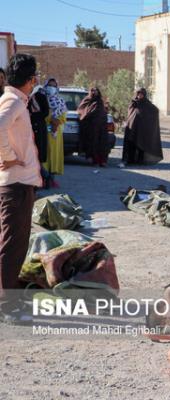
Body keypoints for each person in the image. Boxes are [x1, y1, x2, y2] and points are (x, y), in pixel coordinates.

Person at [0, 54, 42, 324]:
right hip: (16, 185)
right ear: (30, 80)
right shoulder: (12, 100)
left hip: (19, 182)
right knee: (12, 245)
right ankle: (7, 306)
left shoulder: (16, 100)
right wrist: (8, 156)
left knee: (13, 243)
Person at [120, 88, 163, 167]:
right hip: (132, 128)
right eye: (138, 94)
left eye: (141, 94)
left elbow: (155, 110)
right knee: (131, 144)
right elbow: (130, 114)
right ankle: (129, 160)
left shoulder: (147, 104)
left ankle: (140, 160)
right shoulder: (133, 103)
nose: (140, 95)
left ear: (144, 95)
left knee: (141, 145)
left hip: (142, 129)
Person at [77, 87, 108, 167]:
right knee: (93, 143)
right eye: (93, 91)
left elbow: (103, 113)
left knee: (102, 144)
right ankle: (95, 161)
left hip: (102, 126)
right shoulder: (87, 100)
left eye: (96, 91)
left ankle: (103, 161)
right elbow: (81, 110)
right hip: (91, 127)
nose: (95, 92)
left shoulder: (100, 101)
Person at [43, 78, 67, 183]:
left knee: (54, 155)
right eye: (49, 85)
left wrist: (56, 121)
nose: (51, 88)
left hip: (56, 133)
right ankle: (44, 177)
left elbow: (64, 117)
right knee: (45, 154)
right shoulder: (42, 100)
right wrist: (50, 119)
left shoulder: (60, 101)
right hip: (44, 132)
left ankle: (52, 178)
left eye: (53, 86)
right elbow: (40, 115)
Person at [27, 85, 50, 188]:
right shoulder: (25, 97)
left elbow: (46, 112)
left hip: (40, 127)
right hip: (29, 127)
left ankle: (44, 178)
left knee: (39, 153)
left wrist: (34, 116)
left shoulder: (41, 97)